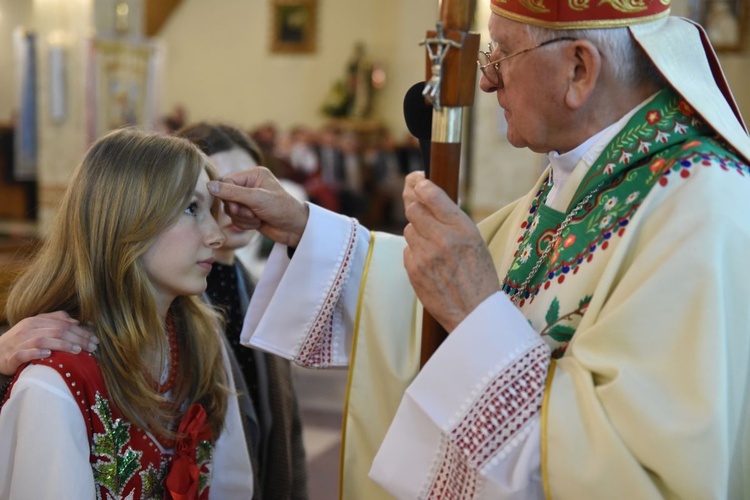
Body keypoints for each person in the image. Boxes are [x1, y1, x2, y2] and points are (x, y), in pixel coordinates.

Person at [208, 2, 750, 499]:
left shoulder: (701, 208)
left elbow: (636, 471)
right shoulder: (582, 178)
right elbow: (440, 292)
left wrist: (475, 313)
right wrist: (304, 228)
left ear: (579, 70)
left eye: (504, 51)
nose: (487, 79)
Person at [0, 128, 254, 498]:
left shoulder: (199, 336)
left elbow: (232, 482)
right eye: (192, 208)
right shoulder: (55, 383)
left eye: (211, 211)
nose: (216, 235)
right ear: (128, 220)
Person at [176, 122, 309, 500]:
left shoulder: (257, 288)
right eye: (218, 189)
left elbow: (286, 422)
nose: (235, 207)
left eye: (246, 188)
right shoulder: (170, 299)